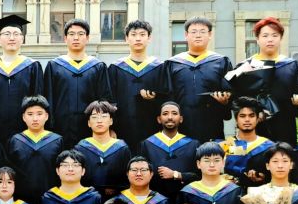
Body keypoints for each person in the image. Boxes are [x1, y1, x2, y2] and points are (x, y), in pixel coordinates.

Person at [226, 17, 298, 147]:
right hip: (253, 127)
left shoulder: (291, 66)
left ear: (281, 38)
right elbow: (235, 98)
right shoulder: (245, 66)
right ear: (257, 39)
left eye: (275, 35)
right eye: (265, 35)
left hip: (284, 125)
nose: (270, 39)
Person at [43, 19, 111, 147]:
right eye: (71, 34)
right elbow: (48, 99)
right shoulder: (54, 66)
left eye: (80, 34)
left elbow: (105, 99)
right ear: (65, 38)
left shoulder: (98, 66)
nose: (76, 38)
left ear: (87, 38)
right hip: (60, 128)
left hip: (91, 129)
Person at [162, 17, 232, 143]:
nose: (198, 35)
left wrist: (225, 102)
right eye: (193, 32)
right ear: (186, 35)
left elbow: (230, 93)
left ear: (210, 35)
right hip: (181, 127)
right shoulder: (173, 64)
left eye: (202, 31)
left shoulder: (221, 62)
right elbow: (168, 96)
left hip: (212, 125)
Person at [0, 15, 43, 141]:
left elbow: (38, 100)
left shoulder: (32, 66)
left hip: (26, 133)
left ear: (22, 38)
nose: (12, 38)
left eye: (16, 34)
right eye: (7, 34)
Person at [108, 20, 170, 154]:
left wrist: (154, 99)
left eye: (142, 34)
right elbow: (109, 100)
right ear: (126, 38)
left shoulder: (160, 67)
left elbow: (167, 98)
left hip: (153, 128)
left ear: (149, 38)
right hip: (121, 129)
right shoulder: (115, 68)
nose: (138, 38)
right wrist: (110, 128)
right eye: (133, 34)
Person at [5, 96, 64, 204]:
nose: (35, 118)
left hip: (52, 198)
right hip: (21, 201)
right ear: (23, 117)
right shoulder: (15, 141)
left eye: (39, 114)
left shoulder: (57, 140)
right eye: (30, 114)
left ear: (46, 116)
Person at [141, 102, 198, 202]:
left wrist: (177, 175)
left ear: (181, 119)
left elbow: (199, 176)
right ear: (159, 119)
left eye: (174, 113)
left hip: (187, 199)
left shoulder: (193, 145)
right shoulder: (147, 144)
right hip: (156, 200)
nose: (170, 117)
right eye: (165, 113)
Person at [75, 100, 131, 200]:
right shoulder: (80, 148)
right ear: (89, 123)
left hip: (116, 200)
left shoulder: (122, 148)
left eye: (104, 116)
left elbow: (127, 179)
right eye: (94, 117)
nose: (99, 121)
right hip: (86, 199)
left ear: (111, 121)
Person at [219, 97, 274, 188]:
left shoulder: (269, 146)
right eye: (242, 116)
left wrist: (264, 178)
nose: (247, 119)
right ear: (236, 119)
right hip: (230, 193)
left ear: (257, 119)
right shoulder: (225, 145)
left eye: (251, 116)